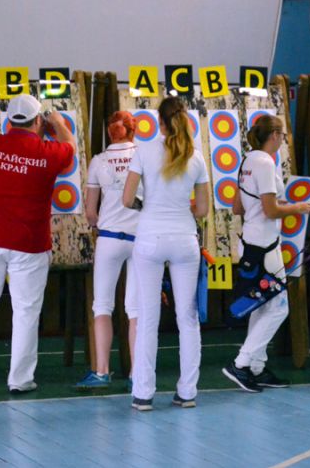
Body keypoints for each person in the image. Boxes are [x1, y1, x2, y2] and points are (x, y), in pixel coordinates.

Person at [0, 94, 75, 394]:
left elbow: (12, 145)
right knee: (26, 311)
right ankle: (20, 380)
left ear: (9, 120)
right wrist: (58, 124)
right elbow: (70, 147)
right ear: (38, 120)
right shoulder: (49, 152)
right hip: (29, 242)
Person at [123, 96, 209, 411]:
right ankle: (187, 392)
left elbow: (126, 199)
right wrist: (180, 207)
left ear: (159, 122)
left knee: (148, 318)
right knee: (188, 318)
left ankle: (143, 393)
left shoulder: (143, 152)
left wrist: (146, 206)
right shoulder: (195, 157)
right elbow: (202, 209)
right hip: (185, 239)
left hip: (149, 238)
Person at [222, 115, 310, 393]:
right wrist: (298, 208)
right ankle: (241, 363)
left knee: (260, 305)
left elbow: (238, 207)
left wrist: (272, 204)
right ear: (274, 134)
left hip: (251, 242)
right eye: (282, 134)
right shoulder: (265, 162)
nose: (283, 139)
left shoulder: (247, 161)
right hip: (266, 247)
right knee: (279, 307)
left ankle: (256, 368)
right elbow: (271, 211)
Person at [75, 111, 140, 390]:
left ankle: (101, 371)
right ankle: (137, 373)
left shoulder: (99, 161)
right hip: (140, 239)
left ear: (110, 132)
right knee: (136, 309)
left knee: (102, 305)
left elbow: (91, 211)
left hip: (109, 238)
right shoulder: (144, 156)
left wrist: (98, 225)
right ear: (133, 131)